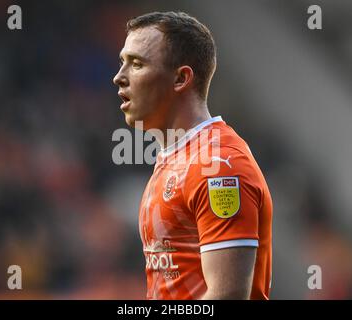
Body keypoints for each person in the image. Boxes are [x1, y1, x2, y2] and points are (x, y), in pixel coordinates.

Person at [113, 11, 273, 300]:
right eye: (122, 62)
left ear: (180, 78)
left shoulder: (221, 165)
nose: (118, 78)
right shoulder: (175, 158)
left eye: (136, 64)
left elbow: (228, 296)